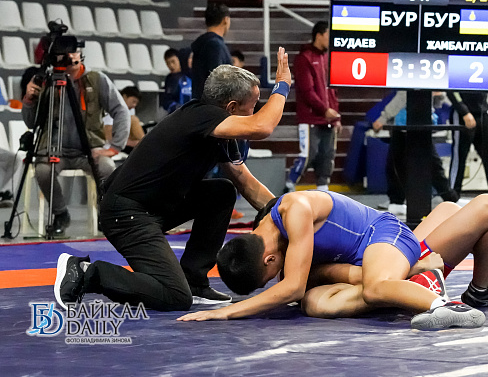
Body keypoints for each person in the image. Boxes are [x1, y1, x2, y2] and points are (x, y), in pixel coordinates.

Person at [53, 47, 292, 311]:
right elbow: (262, 126)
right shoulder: (201, 116)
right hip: (127, 214)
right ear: (231, 107)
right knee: (175, 296)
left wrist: (287, 214)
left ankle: (195, 281)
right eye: (253, 106)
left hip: (154, 207)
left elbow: (245, 182)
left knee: (222, 192)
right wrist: (282, 86)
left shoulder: (217, 132)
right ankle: (86, 273)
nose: (255, 112)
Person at [177, 191, 488, 328]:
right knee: (315, 302)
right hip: (371, 254)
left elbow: (291, 286)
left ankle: (444, 306)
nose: (274, 281)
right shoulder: (267, 231)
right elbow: (310, 281)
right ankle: (425, 275)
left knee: (374, 287)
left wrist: (228, 312)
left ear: (267, 259)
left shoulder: (294, 211)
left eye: (269, 277)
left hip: (383, 236)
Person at [22, 49, 130, 236]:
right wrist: (28, 100)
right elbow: (31, 123)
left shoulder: (96, 79)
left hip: (90, 150)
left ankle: (104, 214)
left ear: (80, 54)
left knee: (107, 168)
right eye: (64, 52)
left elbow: (121, 111)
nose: (70, 56)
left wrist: (114, 147)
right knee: (43, 171)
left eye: (74, 51)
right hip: (54, 149)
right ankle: (60, 214)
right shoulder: (46, 81)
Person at [372, 91, 459, 215]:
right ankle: (397, 201)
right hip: (408, 124)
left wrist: (383, 118)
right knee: (405, 164)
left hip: (415, 123)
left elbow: (435, 100)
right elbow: (402, 97)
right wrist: (383, 118)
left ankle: (449, 198)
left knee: (403, 164)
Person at [285, 21, 341, 192]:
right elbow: (306, 90)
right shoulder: (304, 58)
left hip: (328, 118)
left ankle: (323, 189)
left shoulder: (328, 58)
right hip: (310, 118)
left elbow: (332, 91)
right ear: (319, 35)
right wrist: (324, 110)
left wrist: (336, 116)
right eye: (328, 35)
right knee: (309, 154)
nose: (331, 39)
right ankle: (289, 184)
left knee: (327, 155)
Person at [191, 2, 232, 100]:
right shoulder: (215, 45)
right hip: (212, 106)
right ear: (226, 20)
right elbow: (217, 82)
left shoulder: (203, 43)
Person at [104, 86, 145, 154]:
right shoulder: (112, 109)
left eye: (136, 103)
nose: (134, 105)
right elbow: (108, 136)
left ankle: (145, 144)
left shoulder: (130, 110)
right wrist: (130, 143)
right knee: (133, 119)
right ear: (124, 97)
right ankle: (145, 144)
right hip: (111, 145)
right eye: (133, 101)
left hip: (123, 142)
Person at [160, 48, 192, 117]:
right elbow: (166, 100)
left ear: (179, 60)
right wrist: (175, 107)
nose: (171, 65)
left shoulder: (191, 75)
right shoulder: (169, 79)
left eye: (173, 61)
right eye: (168, 63)